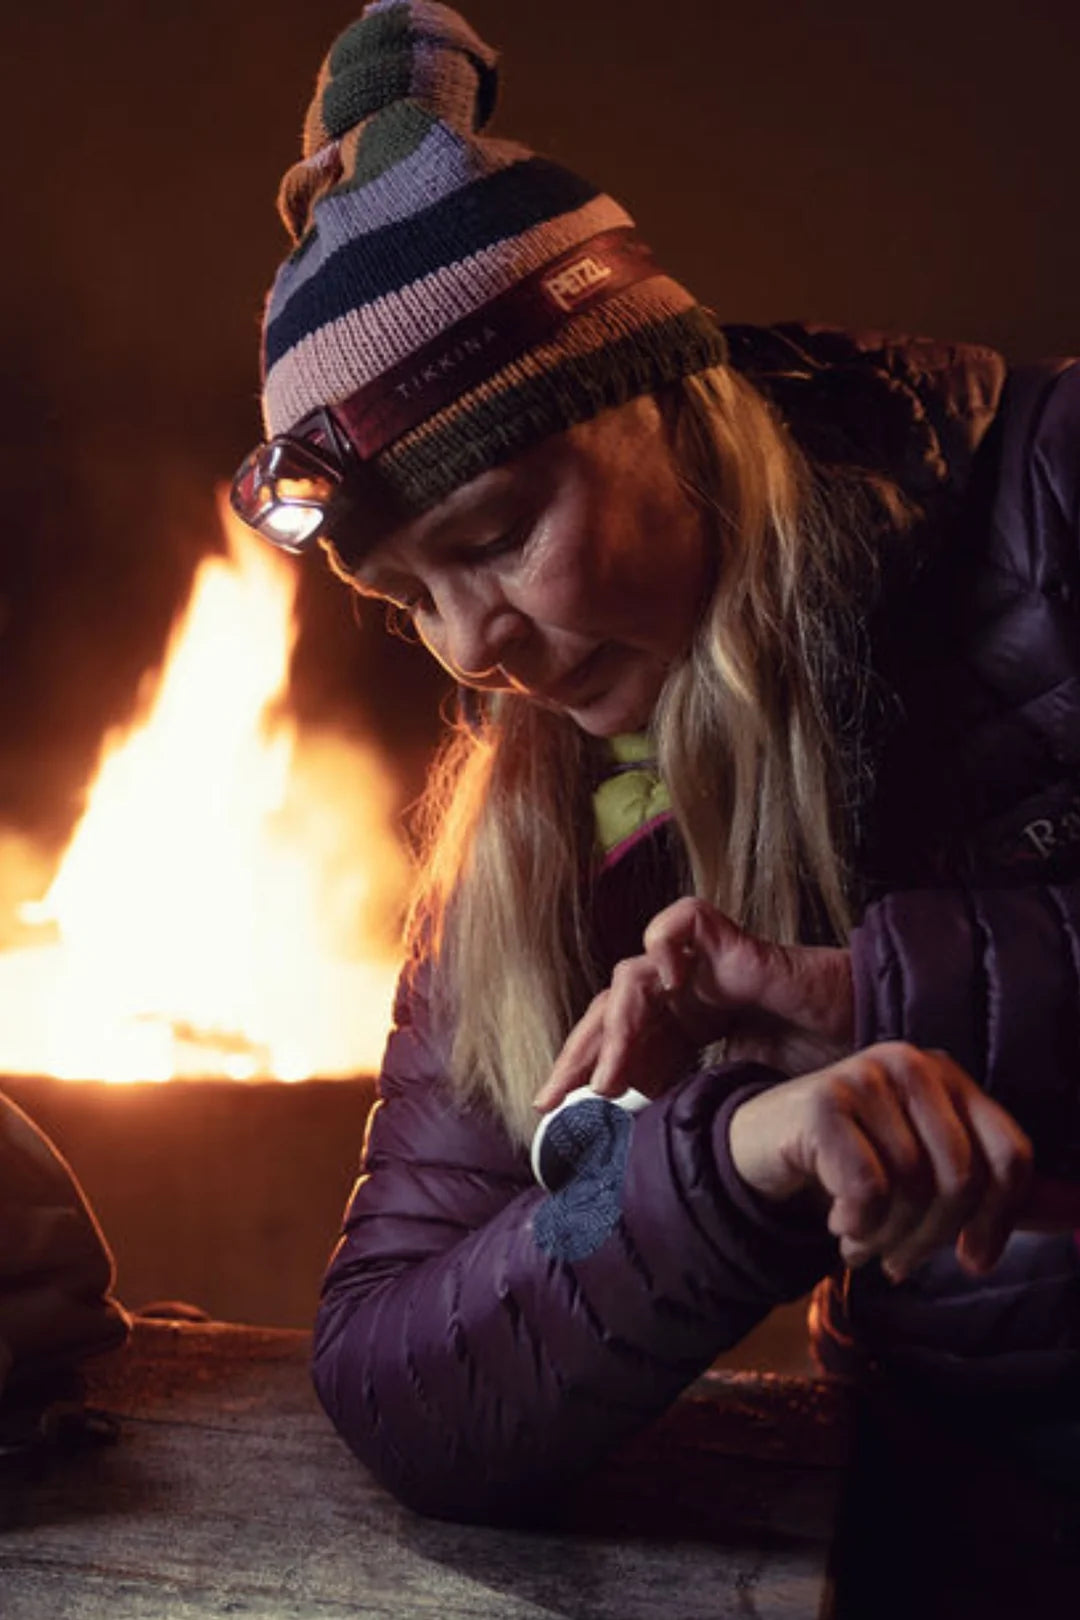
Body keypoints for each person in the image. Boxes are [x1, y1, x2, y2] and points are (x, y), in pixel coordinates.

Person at [230, 1, 1080, 1524]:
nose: (468, 646)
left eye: (495, 538)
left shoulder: (1056, 499)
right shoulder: (540, 828)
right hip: (964, 1539)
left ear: (662, 401)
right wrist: (734, 1156)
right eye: (404, 597)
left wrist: (879, 998)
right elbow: (394, 1378)